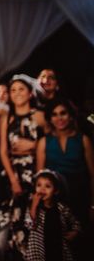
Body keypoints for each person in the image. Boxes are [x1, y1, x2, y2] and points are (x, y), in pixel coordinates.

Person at [0, 75, 46, 259]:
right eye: (13, 90)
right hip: (13, 174)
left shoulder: (39, 116)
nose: (17, 93)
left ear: (30, 93)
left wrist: (33, 146)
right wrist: (13, 180)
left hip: (35, 171)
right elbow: (3, 151)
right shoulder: (6, 118)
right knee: (12, 227)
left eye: (21, 89)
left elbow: (48, 142)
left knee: (34, 222)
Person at [36, 99, 94, 237]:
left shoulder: (83, 139)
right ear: (50, 119)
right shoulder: (44, 142)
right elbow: (39, 178)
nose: (59, 118)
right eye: (54, 114)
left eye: (63, 113)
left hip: (80, 197)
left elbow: (93, 176)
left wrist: (93, 205)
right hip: (54, 202)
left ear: (71, 116)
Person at [24, 170, 80, 261]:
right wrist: (34, 205)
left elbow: (75, 222)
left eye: (48, 186)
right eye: (39, 185)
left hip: (58, 247)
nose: (42, 189)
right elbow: (29, 225)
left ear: (55, 191)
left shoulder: (61, 207)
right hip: (39, 250)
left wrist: (75, 232)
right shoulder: (32, 207)